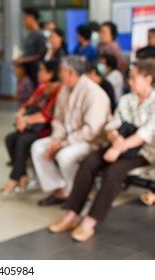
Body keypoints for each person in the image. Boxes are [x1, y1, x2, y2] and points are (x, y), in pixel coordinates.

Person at [49, 59, 155, 242]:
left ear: (149, 79)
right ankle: (71, 214)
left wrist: (118, 147)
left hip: (144, 152)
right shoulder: (127, 99)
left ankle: (89, 222)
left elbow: (145, 135)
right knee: (89, 163)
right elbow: (112, 124)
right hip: (118, 145)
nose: (129, 81)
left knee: (114, 172)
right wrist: (115, 138)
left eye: (134, 78)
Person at [31, 56, 111, 206]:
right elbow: (58, 120)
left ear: (70, 72)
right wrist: (56, 140)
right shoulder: (64, 89)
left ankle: (77, 194)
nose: (59, 74)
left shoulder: (94, 93)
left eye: (61, 71)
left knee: (65, 156)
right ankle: (61, 189)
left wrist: (63, 144)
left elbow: (91, 130)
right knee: (38, 148)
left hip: (90, 141)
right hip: (67, 137)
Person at [2, 60, 61, 196]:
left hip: (46, 129)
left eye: (42, 70)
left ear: (51, 74)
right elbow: (28, 104)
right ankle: (22, 176)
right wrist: (21, 115)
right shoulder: (41, 87)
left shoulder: (57, 90)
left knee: (22, 140)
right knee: (10, 138)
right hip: (33, 126)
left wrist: (25, 120)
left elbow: (47, 115)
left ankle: (14, 178)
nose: (38, 73)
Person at [14, 8, 47, 86]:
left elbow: (41, 54)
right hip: (28, 73)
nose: (24, 22)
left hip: (35, 74)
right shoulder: (30, 35)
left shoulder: (39, 35)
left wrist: (23, 59)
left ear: (31, 18)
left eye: (25, 18)